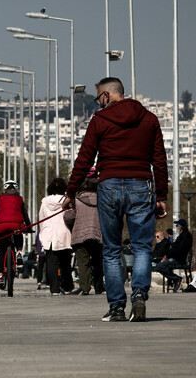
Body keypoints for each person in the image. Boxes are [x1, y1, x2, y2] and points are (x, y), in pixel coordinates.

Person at [63, 77, 168, 322]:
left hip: (108, 186)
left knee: (111, 249)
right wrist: (161, 195)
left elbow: (84, 159)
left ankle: (117, 307)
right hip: (141, 185)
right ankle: (140, 294)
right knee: (142, 246)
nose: (98, 103)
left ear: (108, 96)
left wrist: (71, 192)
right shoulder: (150, 119)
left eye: (99, 97)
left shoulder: (100, 120)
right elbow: (159, 161)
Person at [63, 169, 105, 296]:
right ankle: (99, 287)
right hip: (98, 235)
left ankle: (85, 287)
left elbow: (69, 218)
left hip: (80, 235)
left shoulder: (76, 201)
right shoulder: (103, 200)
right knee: (98, 261)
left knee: (83, 261)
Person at [0, 180, 31, 290]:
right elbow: (25, 214)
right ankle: (19, 252)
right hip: (16, 225)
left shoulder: (0, 199)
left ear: (5, 189)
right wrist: (29, 226)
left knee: (2, 251)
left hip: (1, 226)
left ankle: (0, 276)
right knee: (19, 235)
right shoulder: (19, 199)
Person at [39, 178, 74, 295]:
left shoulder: (44, 201)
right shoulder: (67, 200)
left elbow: (41, 219)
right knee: (65, 263)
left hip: (49, 235)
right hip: (64, 234)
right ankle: (68, 286)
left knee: (51, 263)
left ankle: (54, 289)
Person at [154, 219, 193, 292]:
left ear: (181, 227)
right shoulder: (182, 236)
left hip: (179, 259)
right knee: (160, 266)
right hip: (175, 257)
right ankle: (175, 280)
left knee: (160, 266)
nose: (176, 227)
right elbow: (174, 248)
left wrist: (168, 256)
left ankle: (176, 279)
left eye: (177, 225)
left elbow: (178, 249)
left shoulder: (186, 236)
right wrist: (167, 256)